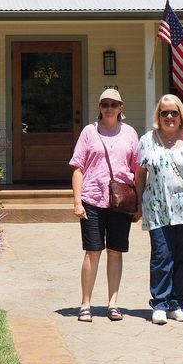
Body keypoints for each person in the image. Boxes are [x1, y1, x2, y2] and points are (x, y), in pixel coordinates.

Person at [70, 88, 139, 323]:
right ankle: (85, 304)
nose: (108, 108)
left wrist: (138, 203)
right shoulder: (89, 132)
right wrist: (77, 201)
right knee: (93, 251)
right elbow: (78, 168)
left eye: (113, 104)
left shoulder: (130, 133)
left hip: (120, 200)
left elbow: (137, 170)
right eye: (104, 104)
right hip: (92, 199)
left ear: (121, 108)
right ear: (99, 107)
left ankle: (113, 304)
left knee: (116, 252)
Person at [135, 94, 183, 325]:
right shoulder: (147, 140)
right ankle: (160, 304)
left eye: (174, 112)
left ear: (181, 114)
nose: (170, 117)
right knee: (162, 256)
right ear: (158, 116)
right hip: (157, 206)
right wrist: (138, 202)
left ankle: (178, 304)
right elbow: (140, 174)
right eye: (164, 113)